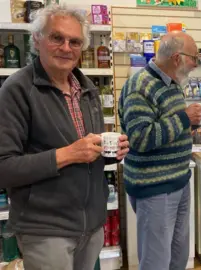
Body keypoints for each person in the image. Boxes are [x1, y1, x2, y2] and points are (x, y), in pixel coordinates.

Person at [0, 4, 129, 270]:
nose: (66, 47)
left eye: (75, 41)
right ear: (37, 39)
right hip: (47, 230)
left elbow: (85, 155)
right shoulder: (17, 90)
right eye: (56, 37)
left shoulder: (86, 88)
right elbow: (4, 167)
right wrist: (68, 154)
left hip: (91, 226)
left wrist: (107, 155)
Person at [118, 31, 201, 270]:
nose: (196, 65)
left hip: (178, 181)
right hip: (154, 187)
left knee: (178, 257)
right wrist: (183, 117)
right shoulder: (140, 86)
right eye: (194, 58)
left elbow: (172, 128)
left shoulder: (172, 83)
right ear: (177, 58)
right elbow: (139, 138)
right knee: (156, 261)